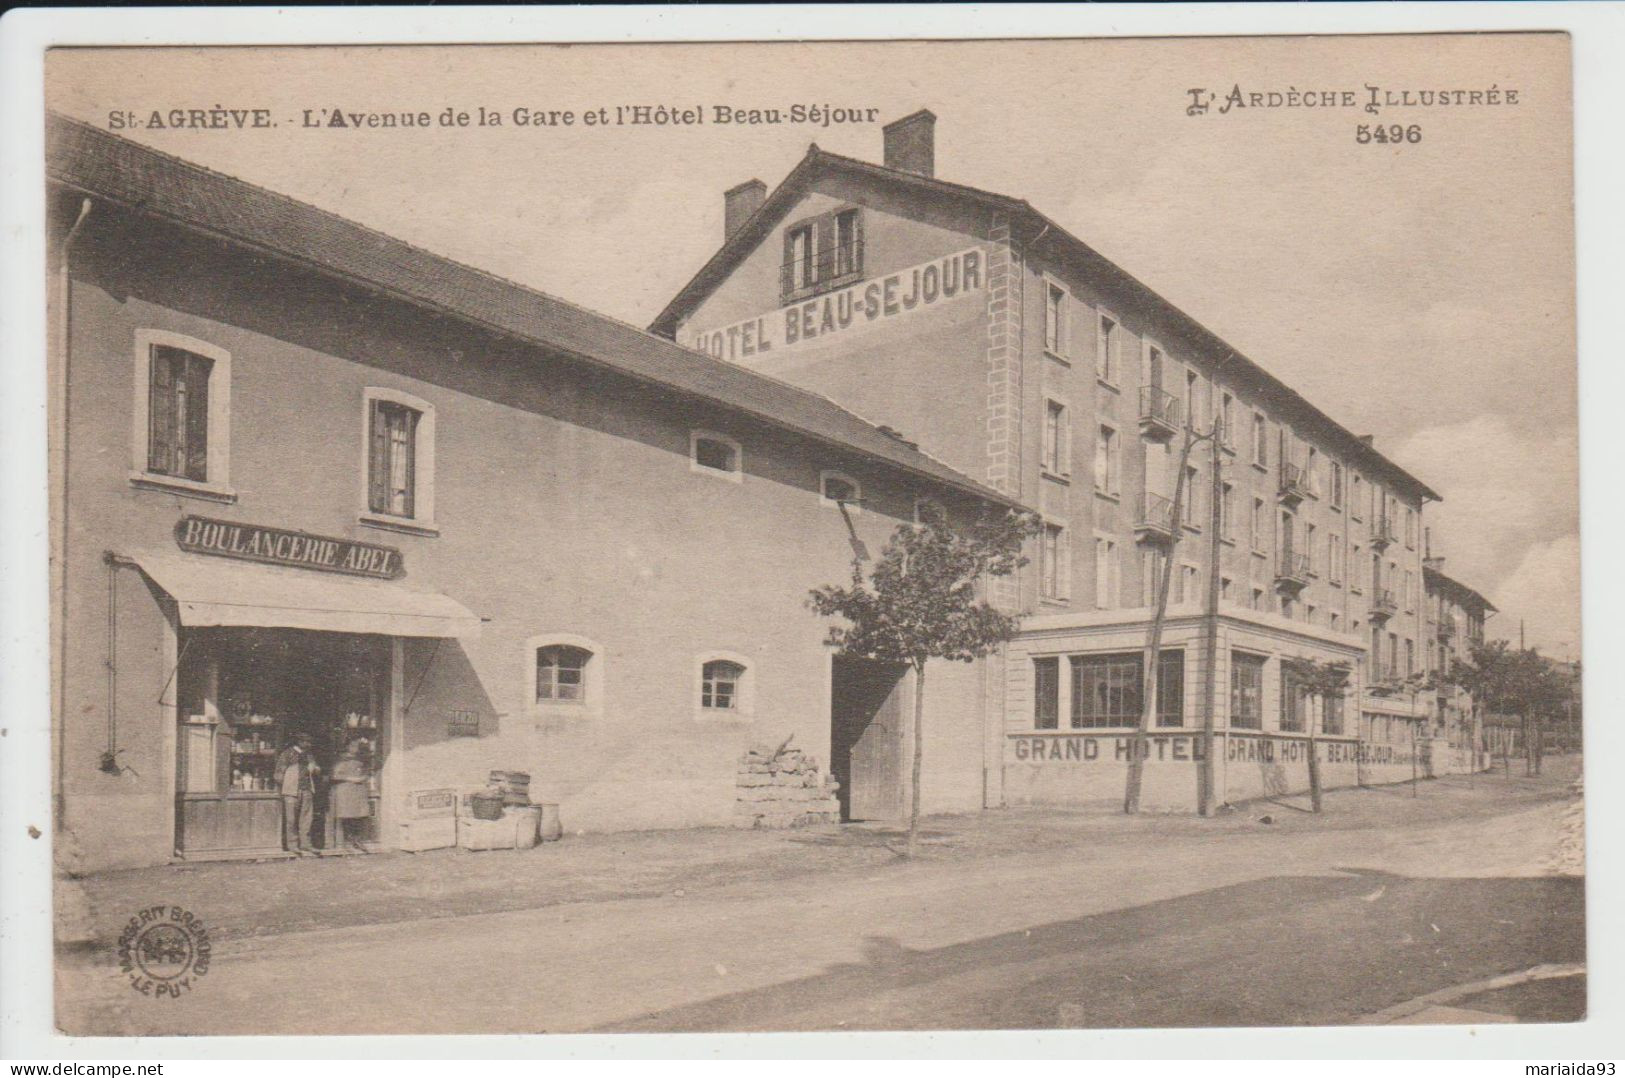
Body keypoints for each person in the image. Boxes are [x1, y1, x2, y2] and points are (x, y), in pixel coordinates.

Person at [276, 735, 320, 855]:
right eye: (307, 742)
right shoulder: (288, 754)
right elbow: (279, 773)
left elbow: (317, 770)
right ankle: (292, 845)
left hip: (307, 790)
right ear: (300, 742)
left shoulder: (309, 755)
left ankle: (306, 844)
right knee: (291, 819)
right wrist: (284, 787)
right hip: (291, 791)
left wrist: (315, 768)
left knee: (306, 819)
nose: (309, 744)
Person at [329, 740, 372, 852]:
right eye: (353, 745)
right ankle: (344, 842)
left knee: (360, 815)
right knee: (346, 816)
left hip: (358, 790)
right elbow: (334, 775)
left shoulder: (361, 759)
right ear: (347, 746)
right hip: (345, 790)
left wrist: (364, 777)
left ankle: (358, 840)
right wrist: (350, 778)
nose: (355, 748)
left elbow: (367, 772)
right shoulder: (341, 759)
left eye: (357, 746)